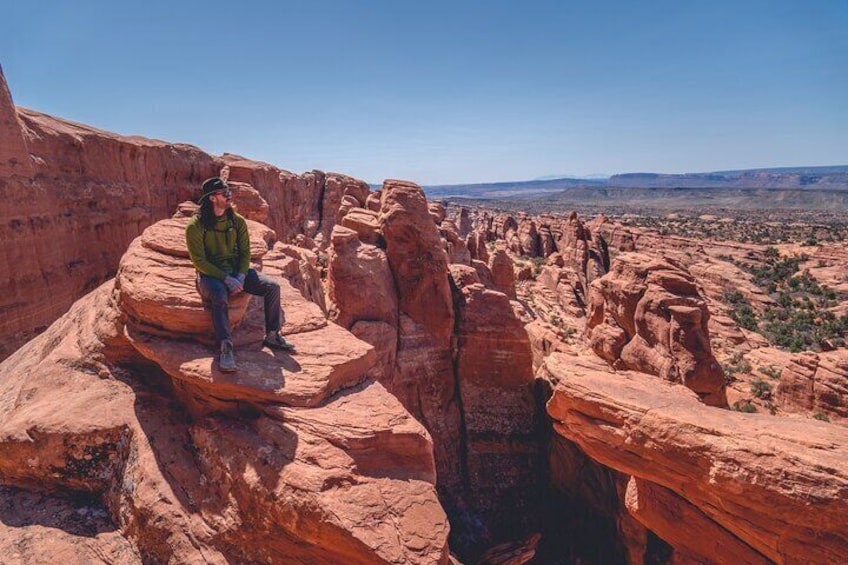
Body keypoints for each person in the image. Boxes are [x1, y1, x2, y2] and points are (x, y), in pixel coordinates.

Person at [185, 177, 294, 372]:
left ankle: (272, 335)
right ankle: (225, 347)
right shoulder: (196, 225)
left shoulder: (237, 221)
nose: (229, 196)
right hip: (210, 274)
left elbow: (245, 253)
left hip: (237, 271)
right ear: (212, 198)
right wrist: (226, 279)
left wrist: (241, 277)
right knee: (219, 295)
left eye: (229, 192)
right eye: (224, 193)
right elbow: (199, 261)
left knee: (272, 287)